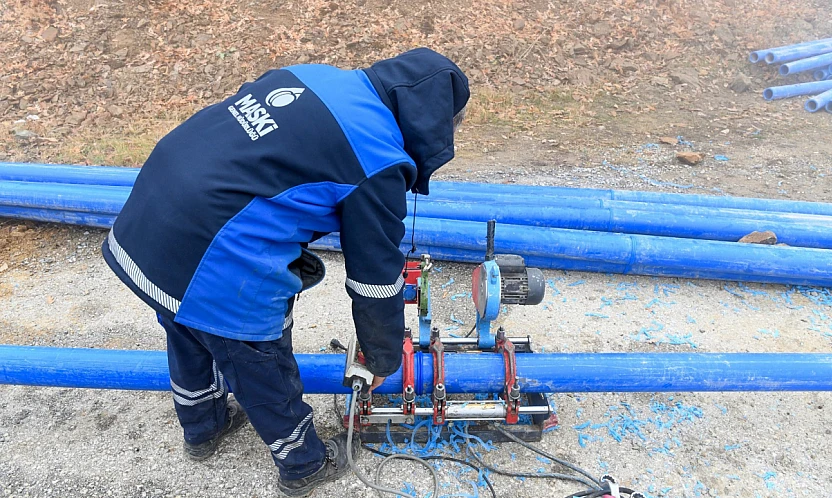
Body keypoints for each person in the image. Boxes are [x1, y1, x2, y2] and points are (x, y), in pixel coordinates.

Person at [101, 47, 469, 496]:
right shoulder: (377, 156)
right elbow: (375, 275)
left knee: (185, 326)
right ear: (433, 121)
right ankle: (304, 462)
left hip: (149, 222)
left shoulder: (316, 75)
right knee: (257, 358)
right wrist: (382, 357)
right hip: (212, 247)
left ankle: (203, 428)